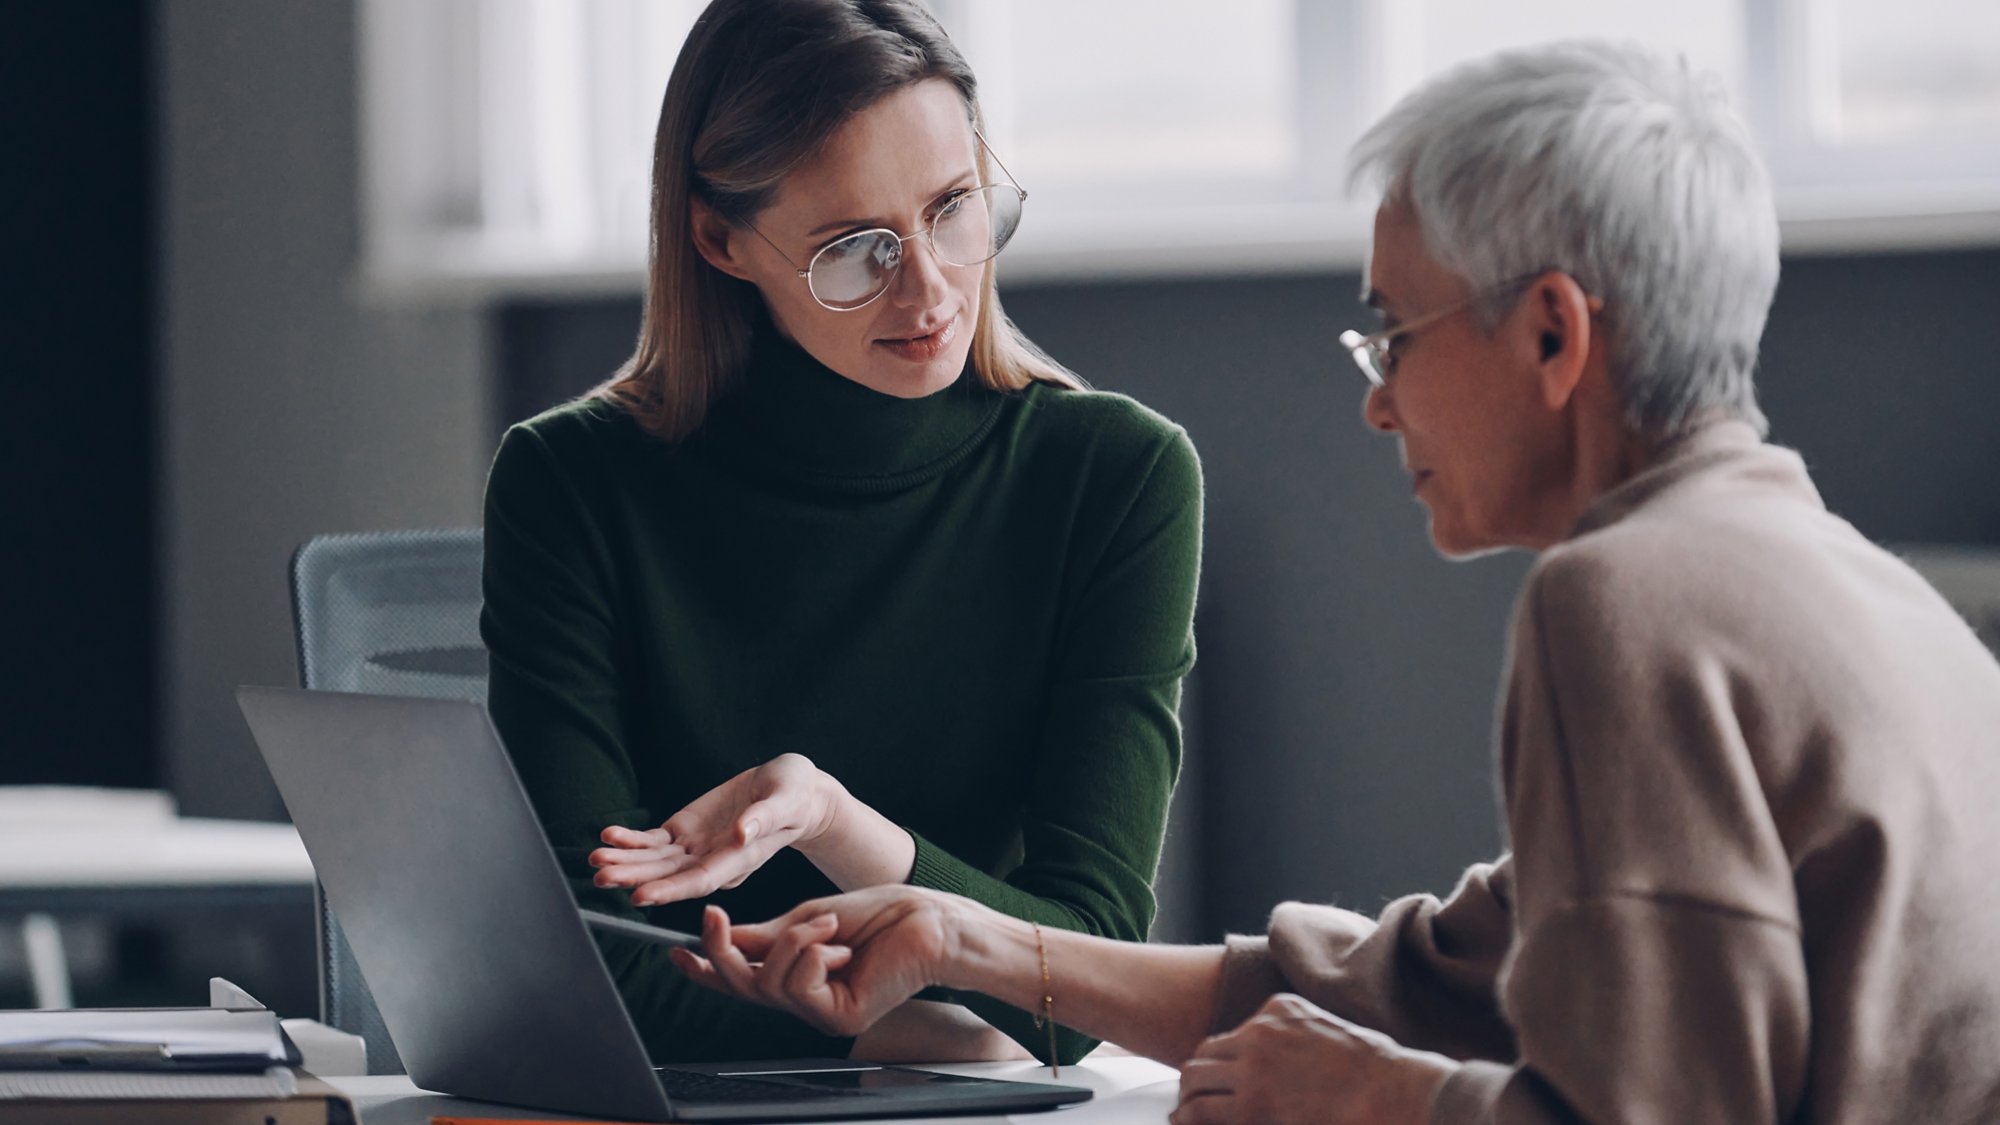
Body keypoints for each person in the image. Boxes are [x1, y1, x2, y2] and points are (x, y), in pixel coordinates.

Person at [669, 39, 2000, 1123]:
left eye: (1394, 333)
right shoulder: (1864, 593)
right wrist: (971, 941)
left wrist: (1387, 1101)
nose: (1378, 406)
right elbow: (1424, 981)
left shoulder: (1625, 600)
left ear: (1550, 331)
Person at [478, 0, 1201, 1065]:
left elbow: (1079, 978)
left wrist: (828, 821)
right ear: (720, 240)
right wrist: (900, 1032)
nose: (928, 289)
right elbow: (579, 960)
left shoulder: (1114, 477)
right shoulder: (572, 478)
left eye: (954, 207)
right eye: (853, 249)